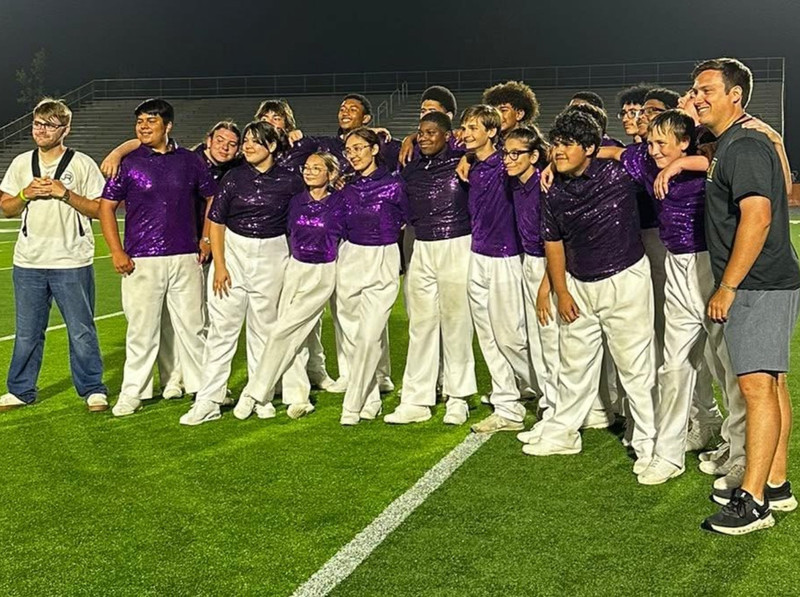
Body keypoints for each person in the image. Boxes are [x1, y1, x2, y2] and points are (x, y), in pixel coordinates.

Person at [692, 58, 799, 535]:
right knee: (772, 384)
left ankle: (752, 500)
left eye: (706, 89)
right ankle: (775, 483)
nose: (696, 97)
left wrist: (728, 286)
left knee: (757, 389)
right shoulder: (733, 142)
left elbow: (757, 217)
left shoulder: (745, 144)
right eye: (694, 89)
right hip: (769, 282)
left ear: (735, 95)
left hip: (756, 284)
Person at [523, 110, 657, 476]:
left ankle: (648, 442)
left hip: (625, 278)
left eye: (567, 145)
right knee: (573, 364)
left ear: (590, 148)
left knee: (635, 368)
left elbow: (649, 154)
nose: (558, 152)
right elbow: (553, 242)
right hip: (579, 283)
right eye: (556, 144)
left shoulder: (619, 173)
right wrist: (561, 292)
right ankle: (564, 430)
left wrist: (609, 153)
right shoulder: (553, 190)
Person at [620, 110, 742, 485]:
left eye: (662, 144)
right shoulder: (647, 163)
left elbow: (719, 158)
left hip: (713, 268)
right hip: (676, 267)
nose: (653, 150)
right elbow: (614, 154)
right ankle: (668, 453)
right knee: (674, 365)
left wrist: (681, 165)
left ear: (685, 142)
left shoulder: (710, 164)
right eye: (651, 142)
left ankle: (740, 453)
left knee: (730, 369)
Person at [181, 148, 331, 426]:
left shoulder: (289, 180)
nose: (248, 145)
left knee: (264, 331)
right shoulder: (234, 177)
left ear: (272, 146)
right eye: (247, 140)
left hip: (272, 257)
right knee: (221, 333)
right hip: (234, 255)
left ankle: (259, 396)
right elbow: (217, 221)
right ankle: (209, 399)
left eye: (256, 141)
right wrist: (221, 265)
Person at [99, 119, 242, 400]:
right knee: (153, 324)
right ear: (208, 140)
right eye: (220, 140)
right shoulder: (189, 158)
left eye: (232, 143)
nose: (225, 147)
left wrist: (206, 240)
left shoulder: (234, 167)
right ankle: (164, 381)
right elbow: (146, 142)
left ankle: (199, 383)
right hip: (160, 250)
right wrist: (118, 152)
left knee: (193, 322)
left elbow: (213, 199)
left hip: (203, 249)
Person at [0, 98, 108, 413]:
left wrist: (66, 194)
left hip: (71, 261)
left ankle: (92, 388)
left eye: (49, 125)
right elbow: (6, 208)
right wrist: (24, 194)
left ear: (65, 128)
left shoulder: (82, 164)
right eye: (37, 124)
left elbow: (101, 210)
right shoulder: (22, 162)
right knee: (27, 332)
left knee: (81, 329)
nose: (41, 130)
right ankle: (20, 390)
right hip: (29, 262)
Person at [384, 112, 476, 425]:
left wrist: (468, 155)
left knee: (456, 322)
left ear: (448, 135)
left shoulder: (464, 161)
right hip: (421, 246)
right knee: (420, 323)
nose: (424, 137)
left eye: (431, 132)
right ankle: (416, 398)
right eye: (420, 132)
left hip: (457, 243)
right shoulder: (411, 167)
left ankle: (458, 397)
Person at [461, 105, 534, 434]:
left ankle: (550, 393)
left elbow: (536, 152)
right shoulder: (472, 165)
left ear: (492, 132)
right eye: (464, 127)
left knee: (511, 337)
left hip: (507, 257)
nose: (466, 133)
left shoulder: (506, 164)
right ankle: (507, 405)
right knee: (487, 338)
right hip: (477, 255)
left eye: (474, 127)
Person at [337, 128, 408, 425]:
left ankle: (352, 405)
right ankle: (371, 397)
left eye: (358, 148)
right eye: (349, 150)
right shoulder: (346, 188)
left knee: (369, 333)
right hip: (351, 258)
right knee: (353, 334)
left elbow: (407, 218)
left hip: (383, 258)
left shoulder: (394, 185)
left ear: (374, 149)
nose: (353, 155)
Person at [501, 126, 560, 441]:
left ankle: (558, 410)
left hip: (547, 266)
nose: (508, 159)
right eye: (505, 153)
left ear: (534, 156)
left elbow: (557, 238)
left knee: (551, 340)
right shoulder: (516, 184)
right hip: (528, 261)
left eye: (516, 153)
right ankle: (549, 405)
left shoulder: (545, 184)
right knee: (538, 340)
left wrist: (546, 285)